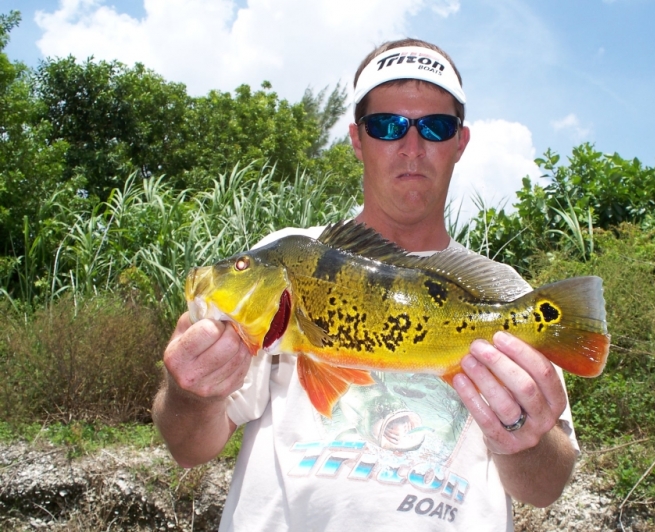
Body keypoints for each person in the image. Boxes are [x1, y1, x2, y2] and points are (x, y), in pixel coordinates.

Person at [153, 38, 579, 532]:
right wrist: (192, 395)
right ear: (357, 139)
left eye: (436, 127)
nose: (412, 146)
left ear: (460, 142)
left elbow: (546, 489)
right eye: (387, 126)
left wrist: (525, 436)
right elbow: (188, 449)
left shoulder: (509, 296)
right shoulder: (287, 252)